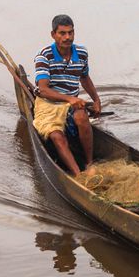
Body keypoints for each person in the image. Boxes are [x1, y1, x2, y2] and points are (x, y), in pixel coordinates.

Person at [33, 14, 101, 176]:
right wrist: (69, 98)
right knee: (57, 136)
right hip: (48, 103)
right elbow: (43, 90)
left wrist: (96, 100)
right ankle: (78, 175)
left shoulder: (82, 53)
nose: (67, 37)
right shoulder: (44, 56)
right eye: (62, 33)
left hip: (71, 103)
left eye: (70, 33)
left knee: (82, 118)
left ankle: (89, 163)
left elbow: (84, 77)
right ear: (53, 35)